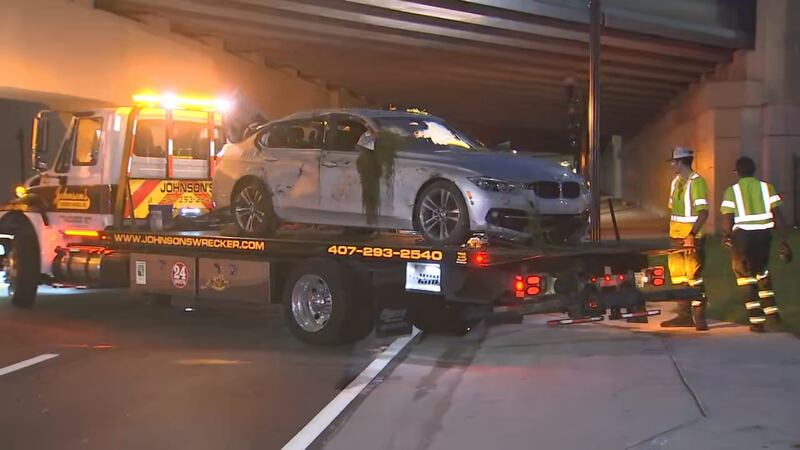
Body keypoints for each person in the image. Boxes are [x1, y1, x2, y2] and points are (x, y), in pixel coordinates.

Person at [720, 157, 792, 332]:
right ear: (754, 170)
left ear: (737, 172)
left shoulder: (732, 191)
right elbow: (778, 214)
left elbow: (728, 217)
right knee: (761, 271)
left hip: (742, 237)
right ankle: (773, 314)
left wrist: (726, 235)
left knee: (745, 277)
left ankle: (756, 321)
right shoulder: (767, 188)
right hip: (763, 236)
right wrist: (783, 240)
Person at [662, 147, 709, 330]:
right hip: (675, 237)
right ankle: (683, 316)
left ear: (681, 162)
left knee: (694, 278)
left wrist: (691, 235)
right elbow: (673, 209)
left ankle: (699, 318)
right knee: (678, 277)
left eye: (674, 161)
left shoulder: (697, 182)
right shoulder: (675, 182)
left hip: (690, 239)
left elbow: (703, 212)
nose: (672, 164)